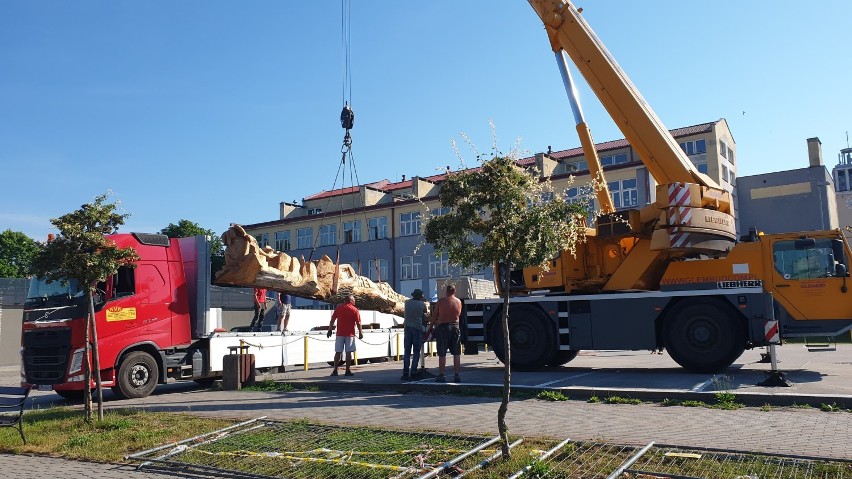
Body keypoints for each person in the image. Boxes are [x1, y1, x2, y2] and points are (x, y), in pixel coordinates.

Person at [430, 284, 463, 383]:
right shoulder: (458, 302)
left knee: (442, 353)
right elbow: (459, 314)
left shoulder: (441, 301)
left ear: (446, 291)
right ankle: (456, 375)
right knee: (456, 353)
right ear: (455, 291)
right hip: (455, 327)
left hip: (443, 328)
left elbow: (434, 315)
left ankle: (442, 375)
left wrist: (430, 327)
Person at [327, 294, 364, 377]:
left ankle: (335, 370)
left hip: (339, 333)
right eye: (354, 299)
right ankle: (347, 371)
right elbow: (358, 322)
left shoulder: (339, 308)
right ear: (350, 300)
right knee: (348, 353)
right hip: (350, 334)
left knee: (338, 352)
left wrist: (330, 329)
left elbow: (332, 319)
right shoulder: (354, 309)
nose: (355, 301)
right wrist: (361, 332)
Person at [401, 289, 429, 381]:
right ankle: (413, 371)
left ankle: (405, 373)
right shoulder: (422, 304)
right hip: (417, 328)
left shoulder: (407, 303)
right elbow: (425, 314)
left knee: (407, 352)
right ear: (420, 296)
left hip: (407, 328)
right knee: (416, 352)